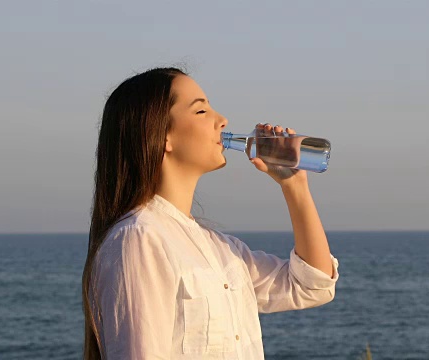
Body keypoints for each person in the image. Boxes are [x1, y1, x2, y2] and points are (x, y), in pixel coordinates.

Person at [81, 67, 340, 359]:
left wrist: (294, 185)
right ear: (161, 135)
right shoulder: (139, 239)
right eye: (201, 111)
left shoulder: (222, 250)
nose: (222, 120)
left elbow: (313, 284)